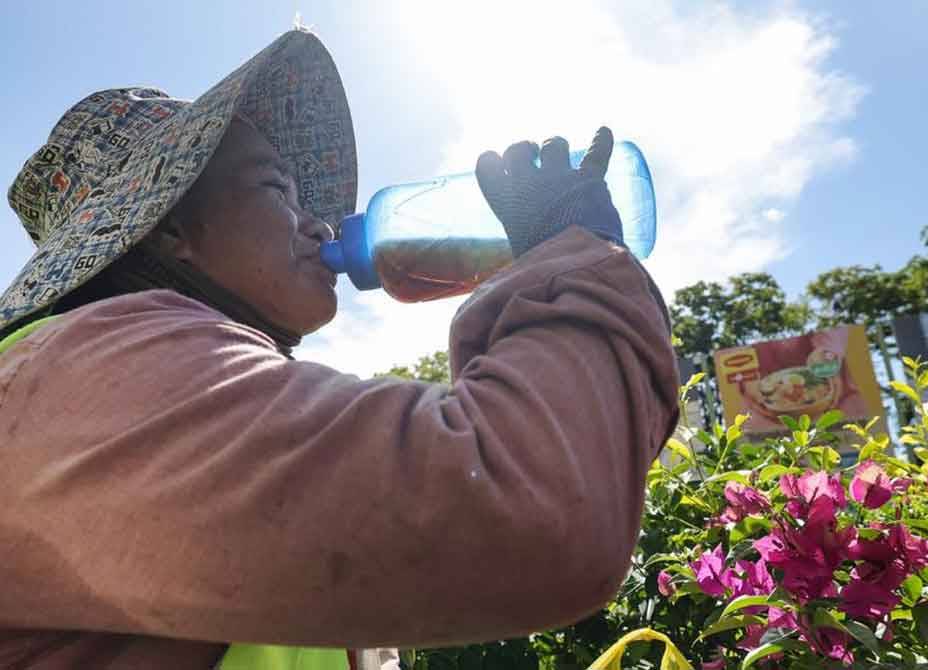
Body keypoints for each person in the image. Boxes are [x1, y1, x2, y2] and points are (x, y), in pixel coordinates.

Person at [0, 29, 680, 670]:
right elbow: (537, 510)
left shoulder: (151, 386)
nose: (320, 223)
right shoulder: (102, 372)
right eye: (276, 189)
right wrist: (570, 258)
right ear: (173, 226)